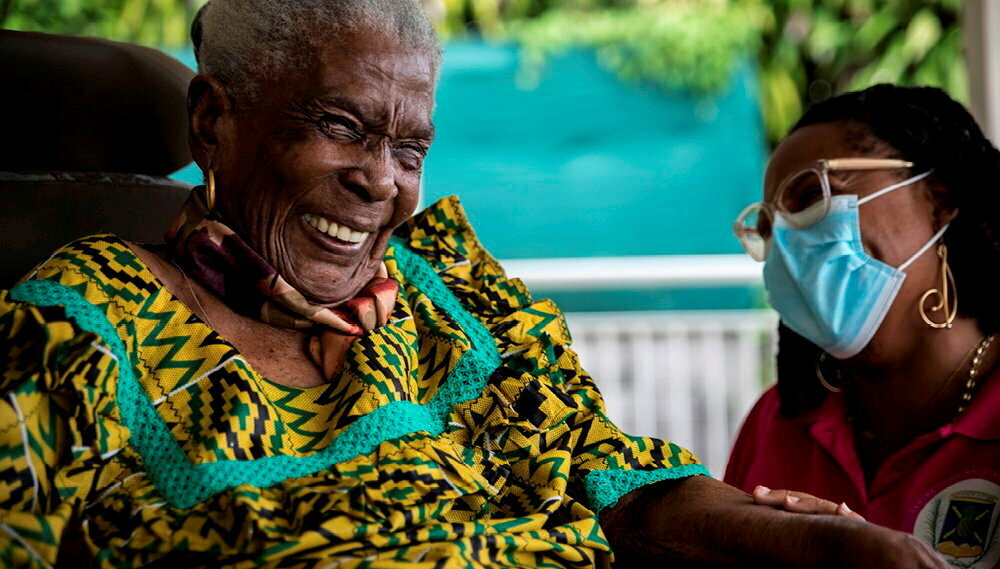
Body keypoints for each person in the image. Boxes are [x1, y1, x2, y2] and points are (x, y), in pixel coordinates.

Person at [0, 2, 946, 567]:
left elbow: (610, 475)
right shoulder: (87, 321)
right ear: (213, 123)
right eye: (340, 124)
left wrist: (823, 546)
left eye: (409, 145)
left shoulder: (446, 289)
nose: (382, 181)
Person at [726, 85, 1000, 568]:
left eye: (812, 196)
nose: (786, 243)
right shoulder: (780, 421)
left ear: (938, 198)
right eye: (768, 229)